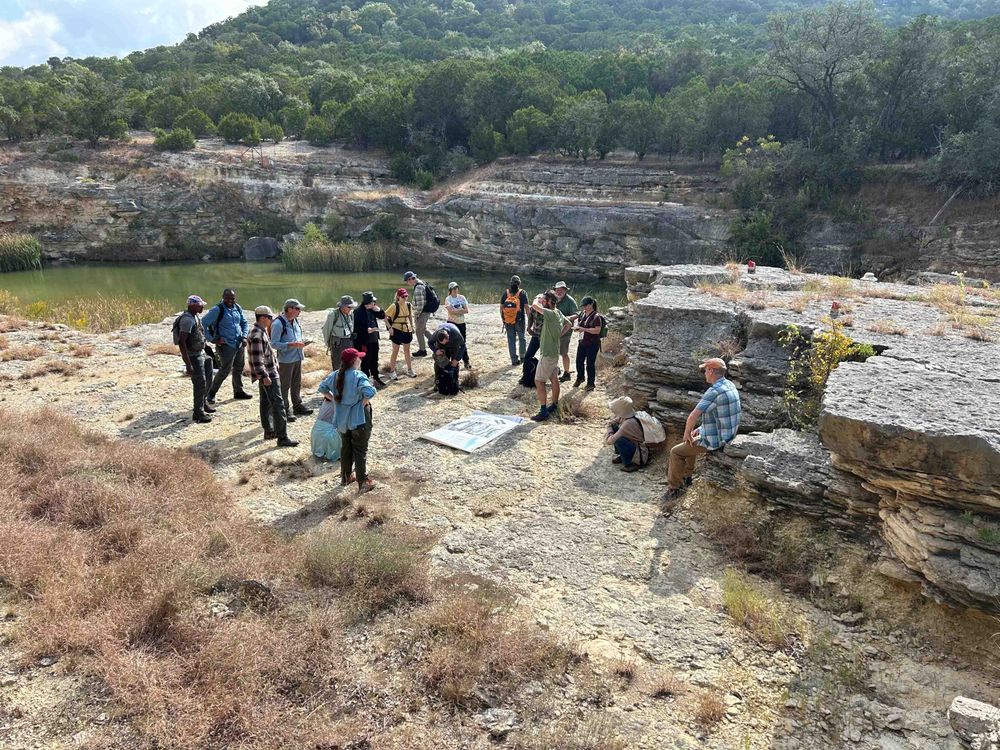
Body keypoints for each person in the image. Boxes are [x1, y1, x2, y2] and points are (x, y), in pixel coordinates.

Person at [663, 357, 742, 509]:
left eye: (706, 370)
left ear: (712, 371)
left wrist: (687, 432)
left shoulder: (714, 391)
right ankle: (686, 477)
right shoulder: (729, 385)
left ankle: (674, 489)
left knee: (676, 452)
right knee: (692, 439)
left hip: (718, 439)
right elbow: (717, 416)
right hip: (728, 432)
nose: (704, 373)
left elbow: (693, 415)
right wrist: (697, 430)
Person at [321, 347, 377, 494]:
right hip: (358, 418)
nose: (361, 359)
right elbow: (370, 391)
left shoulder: (335, 375)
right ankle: (363, 481)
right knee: (360, 449)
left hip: (342, 419)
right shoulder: (359, 375)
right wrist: (362, 403)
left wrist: (335, 401)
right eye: (359, 357)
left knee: (346, 447)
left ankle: (346, 477)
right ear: (354, 360)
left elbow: (322, 388)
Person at [247, 305, 299, 448]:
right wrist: (264, 376)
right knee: (278, 405)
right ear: (263, 318)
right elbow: (257, 360)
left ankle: (269, 431)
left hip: (268, 373)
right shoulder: (257, 334)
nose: (271, 320)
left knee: (265, 402)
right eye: (270, 317)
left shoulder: (259, 331)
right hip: (268, 374)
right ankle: (282, 437)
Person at [202, 288, 253, 404]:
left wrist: (244, 336)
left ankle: (238, 391)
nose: (230, 300)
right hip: (226, 345)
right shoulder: (217, 309)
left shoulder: (237, 308)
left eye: (232, 298)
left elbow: (244, 323)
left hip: (239, 343)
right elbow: (203, 324)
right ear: (223, 297)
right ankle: (211, 393)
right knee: (225, 370)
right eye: (227, 298)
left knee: (239, 367)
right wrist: (212, 339)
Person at [529, 290, 571, 421]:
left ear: (549, 302)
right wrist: (559, 335)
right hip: (554, 352)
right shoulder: (558, 313)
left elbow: (534, 306)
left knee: (539, 381)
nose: (543, 302)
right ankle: (554, 404)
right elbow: (568, 324)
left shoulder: (551, 314)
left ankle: (543, 411)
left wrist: (537, 297)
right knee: (553, 378)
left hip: (547, 353)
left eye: (545, 300)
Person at [175, 294, 215, 423]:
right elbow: (182, 342)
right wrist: (188, 364)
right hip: (194, 355)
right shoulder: (187, 320)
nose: (202, 306)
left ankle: (203, 402)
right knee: (199, 383)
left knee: (209, 377)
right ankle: (198, 412)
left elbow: (199, 334)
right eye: (200, 305)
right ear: (192, 305)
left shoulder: (195, 316)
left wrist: (206, 346)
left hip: (201, 352)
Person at [272, 298, 313, 422]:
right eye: (298, 309)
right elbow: (274, 344)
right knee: (285, 385)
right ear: (289, 309)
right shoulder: (278, 323)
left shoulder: (295, 321)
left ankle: (297, 405)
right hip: (286, 360)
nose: (300, 311)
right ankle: (285, 409)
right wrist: (292, 345)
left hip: (297, 357)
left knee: (296, 383)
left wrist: (302, 343)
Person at [604, 396, 649, 472]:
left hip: (639, 454)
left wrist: (609, 432)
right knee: (615, 427)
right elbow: (613, 422)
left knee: (618, 440)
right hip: (632, 444)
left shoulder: (628, 423)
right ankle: (622, 456)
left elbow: (610, 441)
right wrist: (611, 426)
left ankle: (631, 464)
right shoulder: (627, 415)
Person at [352, 291, 387, 387]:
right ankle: (365, 381)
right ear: (368, 303)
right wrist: (366, 330)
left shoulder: (373, 309)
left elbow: (383, 316)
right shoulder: (358, 312)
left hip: (374, 338)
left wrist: (379, 310)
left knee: (375, 359)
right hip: (364, 340)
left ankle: (376, 378)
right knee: (365, 361)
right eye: (373, 302)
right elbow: (355, 328)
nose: (374, 304)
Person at [573, 296, 604, 391]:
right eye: (583, 306)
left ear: (591, 305)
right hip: (582, 342)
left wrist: (584, 329)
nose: (584, 307)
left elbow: (597, 330)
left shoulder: (596, 317)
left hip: (592, 344)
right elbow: (580, 325)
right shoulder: (583, 314)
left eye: (586, 305)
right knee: (579, 361)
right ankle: (580, 377)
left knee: (590, 364)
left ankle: (591, 383)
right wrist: (577, 328)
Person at [385, 288, 416, 379]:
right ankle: (392, 371)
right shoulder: (394, 306)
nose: (405, 298)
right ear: (398, 297)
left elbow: (410, 316)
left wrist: (412, 326)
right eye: (403, 296)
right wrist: (390, 328)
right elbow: (385, 317)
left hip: (407, 329)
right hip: (396, 330)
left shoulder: (409, 305)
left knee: (407, 350)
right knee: (395, 350)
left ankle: (410, 370)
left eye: (406, 296)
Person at [403, 270, 435, 357]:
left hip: (422, 313)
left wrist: (416, 315)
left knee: (418, 332)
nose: (407, 283)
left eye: (407, 281)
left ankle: (422, 351)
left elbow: (420, 305)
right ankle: (437, 343)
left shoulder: (418, 288)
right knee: (423, 330)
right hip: (426, 312)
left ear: (410, 279)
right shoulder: (422, 283)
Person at [429, 322, 465, 395]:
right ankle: (437, 382)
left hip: (454, 344)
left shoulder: (455, 333)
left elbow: (463, 345)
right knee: (439, 363)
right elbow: (430, 342)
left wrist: (457, 359)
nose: (445, 343)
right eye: (443, 342)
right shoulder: (436, 334)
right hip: (441, 347)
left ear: (448, 336)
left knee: (454, 363)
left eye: (445, 341)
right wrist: (436, 350)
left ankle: (455, 381)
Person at [501, 275, 530, 366]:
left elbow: (501, 307)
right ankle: (523, 357)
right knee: (522, 339)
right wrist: (530, 320)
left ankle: (514, 360)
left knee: (511, 340)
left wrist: (504, 320)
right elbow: (527, 308)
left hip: (508, 321)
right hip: (520, 321)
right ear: (519, 283)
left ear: (511, 283)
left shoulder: (506, 293)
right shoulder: (523, 293)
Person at [553, 280, 578, 383]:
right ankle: (556, 370)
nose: (559, 292)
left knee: (564, 352)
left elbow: (577, 314)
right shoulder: (553, 298)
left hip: (565, 330)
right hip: (553, 330)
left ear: (565, 291)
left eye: (561, 290)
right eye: (557, 290)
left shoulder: (570, 301)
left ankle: (567, 373)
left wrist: (567, 318)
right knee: (553, 351)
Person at [322, 295, 356, 371]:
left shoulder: (351, 314)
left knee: (349, 363)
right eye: (349, 307)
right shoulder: (333, 315)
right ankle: (338, 381)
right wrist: (328, 344)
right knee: (338, 366)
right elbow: (326, 330)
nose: (351, 309)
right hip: (337, 344)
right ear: (343, 306)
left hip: (349, 342)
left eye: (352, 307)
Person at [445, 282, 471, 368]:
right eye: (453, 288)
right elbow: (450, 311)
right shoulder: (448, 299)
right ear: (450, 290)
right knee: (450, 342)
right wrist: (460, 310)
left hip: (461, 323)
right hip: (451, 323)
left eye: (456, 288)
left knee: (462, 342)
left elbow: (466, 310)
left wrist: (456, 310)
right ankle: (447, 361)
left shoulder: (462, 297)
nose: (455, 290)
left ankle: (466, 361)